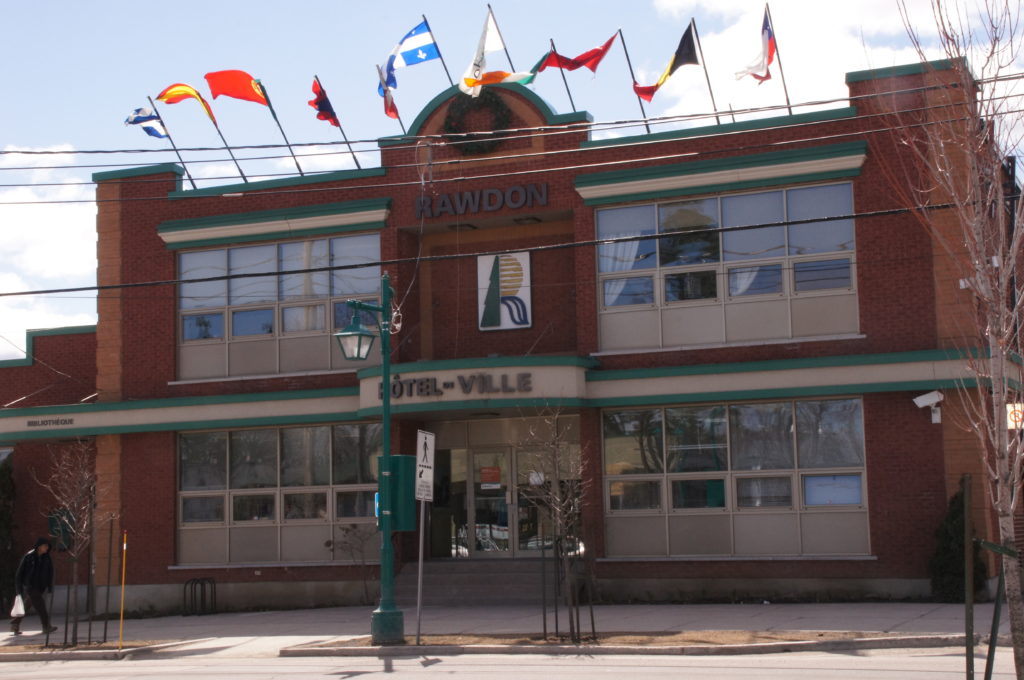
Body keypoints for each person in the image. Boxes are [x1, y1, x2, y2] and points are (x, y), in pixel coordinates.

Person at [10, 537, 56, 636]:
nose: (46, 548)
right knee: (41, 606)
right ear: (39, 546)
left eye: (48, 546)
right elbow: (20, 573)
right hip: (30, 585)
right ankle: (46, 626)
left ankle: (15, 623)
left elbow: (50, 572)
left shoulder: (47, 558)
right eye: (45, 546)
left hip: (41, 586)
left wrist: (50, 586)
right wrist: (19, 588)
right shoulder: (29, 556)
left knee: (27, 605)